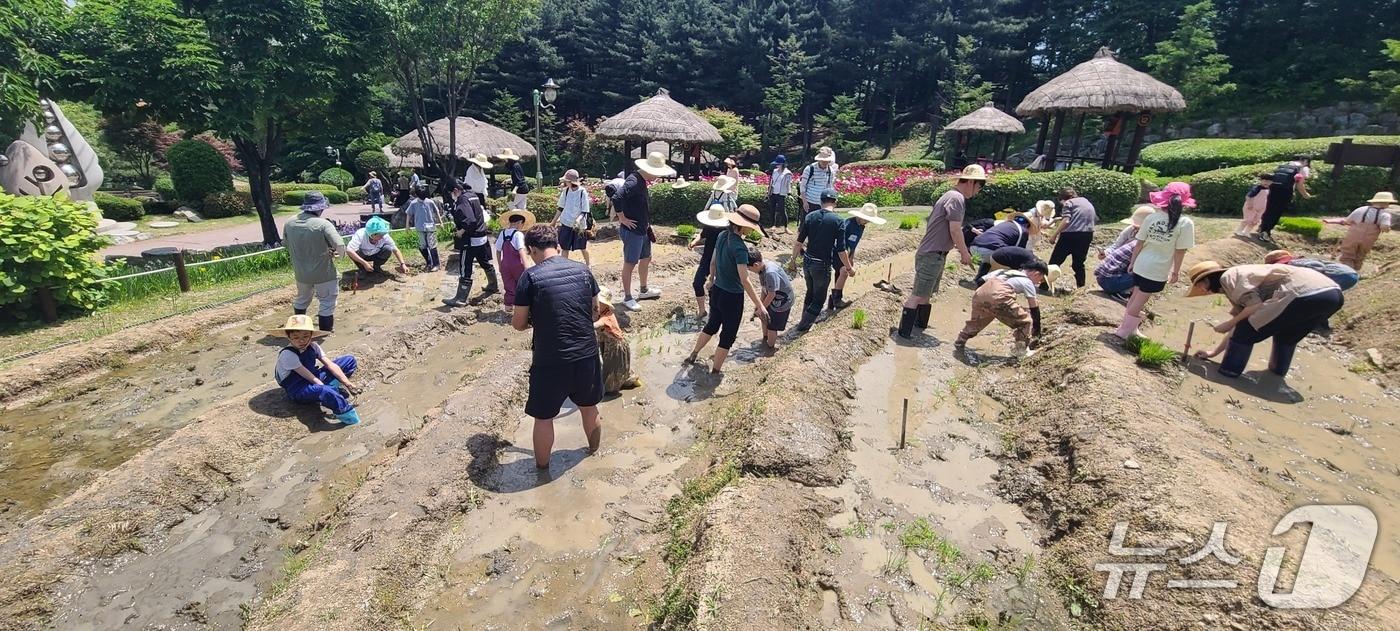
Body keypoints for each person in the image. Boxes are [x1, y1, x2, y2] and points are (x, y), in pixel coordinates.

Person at [511, 224, 604, 469]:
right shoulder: (583, 271)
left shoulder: (530, 277)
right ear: (557, 244)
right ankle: (593, 452)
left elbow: (518, 324)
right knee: (588, 406)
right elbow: (594, 313)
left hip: (550, 359)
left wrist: (537, 317)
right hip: (586, 353)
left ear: (531, 249)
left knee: (543, 417)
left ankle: (542, 470)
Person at [1186, 260, 1342, 379]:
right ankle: (1276, 375)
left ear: (1207, 280)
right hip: (1332, 295)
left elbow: (1252, 310)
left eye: (1199, 286)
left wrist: (1229, 323)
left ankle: (1228, 374)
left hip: (1302, 293)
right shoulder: (1239, 278)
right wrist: (1213, 352)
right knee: (1286, 336)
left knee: (1245, 331)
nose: (1202, 291)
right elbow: (1245, 317)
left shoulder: (1228, 278)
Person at [900, 165, 986, 338]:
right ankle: (903, 336)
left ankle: (918, 328)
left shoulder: (952, 196)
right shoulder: (956, 198)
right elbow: (955, 229)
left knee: (926, 295)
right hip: (932, 254)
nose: (978, 191)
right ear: (970, 182)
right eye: (979, 186)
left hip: (937, 254)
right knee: (917, 295)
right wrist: (964, 253)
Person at [685, 205, 767, 373]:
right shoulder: (740, 247)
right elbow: (745, 280)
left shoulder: (722, 235)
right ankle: (715, 373)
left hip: (717, 291)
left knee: (712, 325)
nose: (751, 231)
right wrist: (760, 305)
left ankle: (693, 354)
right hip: (733, 297)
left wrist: (711, 279)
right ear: (742, 225)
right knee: (727, 336)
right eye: (750, 227)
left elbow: (713, 262)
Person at [1114, 181, 1196, 340]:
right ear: (1183, 203)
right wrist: (1176, 271)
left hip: (1141, 263)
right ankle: (1124, 331)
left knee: (1135, 295)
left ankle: (1129, 328)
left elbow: (1139, 243)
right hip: (1157, 269)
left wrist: (1132, 262)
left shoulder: (1151, 217)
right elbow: (1180, 251)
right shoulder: (1185, 223)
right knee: (1140, 300)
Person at [271, 315, 362, 425]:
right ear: (289, 337)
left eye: (305, 336)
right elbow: (308, 376)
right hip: (299, 388)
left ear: (311, 336)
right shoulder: (288, 354)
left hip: (314, 376)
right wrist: (324, 387)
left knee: (349, 360)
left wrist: (348, 384)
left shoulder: (314, 346)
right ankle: (350, 418)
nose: (301, 340)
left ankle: (332, 389)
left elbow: (330, 365)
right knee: (325, 391)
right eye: (296, 337)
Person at [612, 151, 674, 311]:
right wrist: (622, 218)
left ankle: (644, 289)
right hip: (632, 230)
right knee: (630, 262)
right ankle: (627, 297)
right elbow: (617, 197)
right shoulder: (633, 182)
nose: (657, 177)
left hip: (642, 228)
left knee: (646, 258)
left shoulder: (641, 180)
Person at [954, 260, 1049, 358]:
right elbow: (1034, 307)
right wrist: (1037, 329)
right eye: (1041, 280)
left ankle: (960, 341)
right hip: (999, 297)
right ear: (1037, 274)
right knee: (1026, 322)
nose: (1038, 283)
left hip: (980, 294)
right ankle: (1020, 352)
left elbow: (980, 281)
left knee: (978, 321)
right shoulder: (1028, 282)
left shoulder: (1004, 271)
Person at [283, 191, 345, 332]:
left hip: (301, 273)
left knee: (302, 300)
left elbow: (285, 243)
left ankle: (298, 330)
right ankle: (324, 333)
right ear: (320, 208)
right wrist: (337, 256)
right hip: (324, 273)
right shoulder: (323, 224)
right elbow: (339, 245)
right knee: (327, 302)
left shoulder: (290, 222)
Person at [791, 188, 851, 332]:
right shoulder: (838, 221)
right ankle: (803, 327)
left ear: (821, 201)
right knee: (819, 299)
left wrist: (792, 260)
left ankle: (803, 320)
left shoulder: (810, 216)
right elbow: (841, 250)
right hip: (822, 265)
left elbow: (799, 242)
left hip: (807, 261)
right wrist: (849, 267)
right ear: (835, 202)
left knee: (810, 292)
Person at [443, 181, 499, 307]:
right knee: (484, 262)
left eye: (452, 193)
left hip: (470, 239)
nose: (452, 195)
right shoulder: (472, 195)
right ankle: (493, 285)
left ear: (456, 190)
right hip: (482, 237)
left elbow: (470, 220)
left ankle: (460, 298)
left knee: (465, 267)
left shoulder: (463, 199)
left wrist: (460, 232)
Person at [831, 203, 886, 309]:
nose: (866, 221)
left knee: (841, 274)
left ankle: (832, 300)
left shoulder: (861, 226)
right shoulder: (848, 224)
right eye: (865, 218)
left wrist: (851, 258)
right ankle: (836, 300)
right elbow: (841, 245)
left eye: (868, 220)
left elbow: (854, 244)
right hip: (838, 251)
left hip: (847, 252)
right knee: (844, 272)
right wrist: (848, 265)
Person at [1326, 191, 1395, 271]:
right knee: (1360, 256)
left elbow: (1347, 221)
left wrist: (1332, 221)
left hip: (1353, 236)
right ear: (1385, 203)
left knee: (1347, 256)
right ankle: (1355, 273)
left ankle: (1347, 272)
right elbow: (1384, 227)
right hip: (1369, 239)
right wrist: (1388, 229)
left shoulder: (1361, 209)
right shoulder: (1385, 215)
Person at [594, 287, 641, 394]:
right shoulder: (600, 312)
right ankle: (628, 378)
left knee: (613, 370)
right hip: (607, 344)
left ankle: (620, 384)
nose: (595, 304)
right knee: (614, 366)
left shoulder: (606, 316)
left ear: (605, 304)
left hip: (616, 346)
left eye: (599, 302)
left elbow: (597, 325)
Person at [1047, 187, 1096, 288]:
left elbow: (1066, 221)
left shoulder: (1068, 203)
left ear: (1063, 199)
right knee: (1078, 263)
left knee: (1055, 261)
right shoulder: (1085, 201)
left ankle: (1044, 285)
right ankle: (1081, 287)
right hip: (1087, 235)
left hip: (1070, 236)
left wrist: (1054, 235)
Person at [1257, 156, 1313, 241]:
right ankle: (1265, 232)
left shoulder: (1286, 164)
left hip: (1273, 188)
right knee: (1277, 211)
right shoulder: (1303, 168)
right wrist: (1306, 195)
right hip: (1285, 191)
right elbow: (1299, 185)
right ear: (1306, 161)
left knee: (1269, 208)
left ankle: (1262, 227)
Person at [748, 248, 794, 350]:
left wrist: (761, 307)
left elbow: (771, 294)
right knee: (764, 316)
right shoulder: (761, 269)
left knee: (772, 326)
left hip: (783, 302)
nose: (749, 271)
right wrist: (759, 306)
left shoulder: (770, 273)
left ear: (756, 265)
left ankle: (769, 348)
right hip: (773, 297)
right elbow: (765, 290)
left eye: (749, 269)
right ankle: (765, 338)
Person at [971, 214, 1035, 286]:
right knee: (1010, 259)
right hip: (990, 250)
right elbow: (1019, 252)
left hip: (973, 247)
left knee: (989, 259)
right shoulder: (1024, 231)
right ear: (1027, 225)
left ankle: (978, 279)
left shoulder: (1004, 223)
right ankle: (998, 284)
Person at [690, 204, 730, 320]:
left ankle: (716, 314)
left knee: (716, 287)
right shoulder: (708, 226)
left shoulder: (727, 230)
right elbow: (702, 236)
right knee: (697, 283)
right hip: (707, 258)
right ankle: (702, 311)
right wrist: (694, 242)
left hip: (722, 260)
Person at [495, 209, 534, 307]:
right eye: (522, 225)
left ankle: (508, 308)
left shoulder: (502, 233)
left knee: (509, 287)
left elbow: (498, 250)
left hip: (505, 264)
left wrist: (500, 265)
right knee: (521, 286)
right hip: (517, 265)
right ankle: (520, 309)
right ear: (519, 223)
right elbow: (521, 250)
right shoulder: (518, 234)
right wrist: (526, 266)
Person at [1264, 249, 1358, 290]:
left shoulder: (1293, 263)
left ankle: (1320, 323)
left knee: (1321, 294)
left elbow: (1317, 266)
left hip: (1341, 274)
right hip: (1346, 273)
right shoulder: (1294, 262)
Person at [554, 169, 593, 266]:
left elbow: (585, 210)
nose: (565, 182)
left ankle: (588, 264)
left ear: (570, 181)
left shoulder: (582, 192)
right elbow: (561, 207)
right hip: (566, 222)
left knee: (583, 247)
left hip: (579, 225)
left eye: (566, 181)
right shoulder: (566, 191)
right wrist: (553, 221)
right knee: (565, 248)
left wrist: (578, 220)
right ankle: (564, 266)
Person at [405, 185, 443, 272]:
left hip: (430, 226)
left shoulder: (430, 202)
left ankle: (436, 264)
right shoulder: (413, 203)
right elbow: (408, 214)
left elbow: (436, 211)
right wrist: (407, 226)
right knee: (423, 246)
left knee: (432, 245)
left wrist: (440, 222)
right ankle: (428, 262)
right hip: (420, 227)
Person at [797, 147, 838, 216]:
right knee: (806, 224)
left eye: (826, 161)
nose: (824, 162)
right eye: (822, 160)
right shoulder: (809, 169)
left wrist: (831, 202)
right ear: (818, 160)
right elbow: (802, 185)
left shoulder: (831, 171)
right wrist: (804, 202)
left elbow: (830, 187)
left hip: (823, 204)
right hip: (809, 202)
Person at [767, 154, 794, 231]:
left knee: (782, 210)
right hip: (773, 193)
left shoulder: (787, 173)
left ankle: (786, 227)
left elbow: (789, 184)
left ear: (782, 164)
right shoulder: (774, 171)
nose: (776, 165)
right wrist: (768, 192)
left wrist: (789, 193)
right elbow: (771, 182)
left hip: (781, 194)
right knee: (772, 209)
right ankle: (772, 225)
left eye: (778, 164)